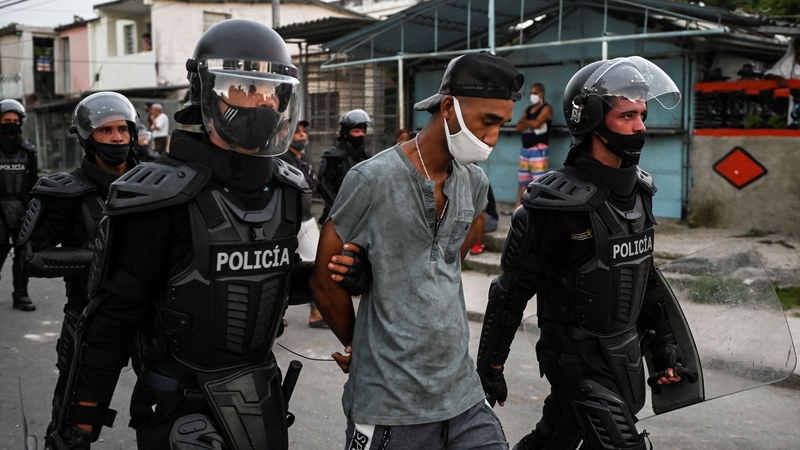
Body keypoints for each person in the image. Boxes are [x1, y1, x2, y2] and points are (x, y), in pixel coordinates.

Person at [45, 19, 324, 449]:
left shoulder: (288, 192)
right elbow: (114, 317)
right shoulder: (160, 195)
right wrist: (81, 418)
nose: (259, 104)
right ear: (204, 94)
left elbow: (271, 280)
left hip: (260, 400)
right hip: (180, 401)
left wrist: (332, 276)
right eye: (241, 90)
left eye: (271, 93)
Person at [310, 51, 524, 450]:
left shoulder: (474, 183)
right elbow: (324, 280)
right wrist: (361, 346)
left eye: (502, 126)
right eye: (488, 122)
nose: (493, 138)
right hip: (389, 403)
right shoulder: (371, 179)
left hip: (462, 394)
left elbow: (449, 260)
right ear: (448, 108)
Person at [476, 56, 688, 450]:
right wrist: (490, 364)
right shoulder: (553, 203)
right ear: (590, 120)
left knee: (554, 438)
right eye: (627, 116)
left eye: (642, 114)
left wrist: (664, 345)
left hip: (623, 355)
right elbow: (510, 291)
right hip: (574, 360)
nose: (640, 126)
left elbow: (644, 276)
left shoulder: (642, 192)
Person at [17, 92, 140, 444]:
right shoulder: (63, 192)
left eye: (123, 130)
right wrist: (97, 255)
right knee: (73, 425)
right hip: (91, 320)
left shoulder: (155, 185)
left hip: (151, 320)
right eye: (106, 131)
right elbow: (32, 257)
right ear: (88, 137)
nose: (118, 138)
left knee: (166, 416)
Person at [277, 119, 326, 327]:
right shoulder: (281, 158)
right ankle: (275, 314)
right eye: (296, 131)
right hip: (284, 222)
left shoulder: (303, 158)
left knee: (318, 264)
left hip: (306, 221)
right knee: (281, 266)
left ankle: (316, 314)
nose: (301, 134)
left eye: (303, 131)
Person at [0, 99, 38, 311]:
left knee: (23, 256)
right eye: (7, 120)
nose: (12, 123)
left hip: (22, 208)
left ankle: (21, 295)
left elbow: (34, 183)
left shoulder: (28, 151)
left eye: (15, 120)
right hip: (0, 210)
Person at [316, 109, 371, 225]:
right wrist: (339, 210)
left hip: (363, 215)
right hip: (338, 216)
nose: (361, 135)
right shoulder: (333, 157)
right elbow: (324, 186)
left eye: (363, 131)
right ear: (345, 133)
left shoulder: (366, 156)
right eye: (356, 131)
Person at [505, 82, 552, 213]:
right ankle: (517, 208)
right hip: (525, 149)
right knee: (523, 180)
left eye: (535, 93)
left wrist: (527, 122)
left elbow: (537, 123)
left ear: (541, 93)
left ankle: (538, 210)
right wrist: (529, 123)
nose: (532, 95)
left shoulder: (546, 109)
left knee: (538, 181)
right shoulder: (528, 109)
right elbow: (519, 126)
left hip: (538, 149)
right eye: (531, 93)